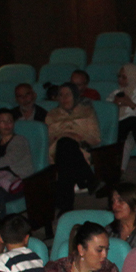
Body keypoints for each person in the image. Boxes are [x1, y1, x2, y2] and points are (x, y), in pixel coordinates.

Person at [45, 83, 101, 211]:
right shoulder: (52, 115)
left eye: (68, 94)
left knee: (66, 151)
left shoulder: (87, 111)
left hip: (80, 150)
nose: (64, 98)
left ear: (75, 96)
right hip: (56, 151)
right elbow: (47, 139)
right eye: (61, 95)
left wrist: (78, 137)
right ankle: (88, 177)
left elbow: (96, 138)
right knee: (65, 144)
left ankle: (66, 207)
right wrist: (66, 135)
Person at [0, 108, 34, 217]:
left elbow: (9, 159)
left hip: (18, 183)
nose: (7, 124)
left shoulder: (20, 141)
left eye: (10, 121)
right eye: (2, 121)